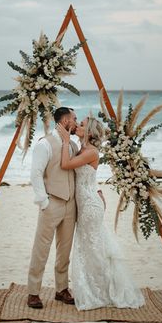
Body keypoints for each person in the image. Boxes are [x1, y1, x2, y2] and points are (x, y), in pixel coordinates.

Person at [56, 116, 145, 310]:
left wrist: (64, 142)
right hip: (88, 201)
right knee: (90, 248)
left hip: (89, 206)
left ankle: (101, 291)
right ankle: (94, 287)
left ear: (89, 132)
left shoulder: (91, 151)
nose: (78, 125)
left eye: (82, 125)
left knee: (92, 249)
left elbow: (65, 165)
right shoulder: (82, 149)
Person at [26, 106, 78, 309]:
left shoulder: (72, 145)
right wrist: (44, 202)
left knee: (64, 250)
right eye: (74, 119)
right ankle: (33, 292)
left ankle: (61, 289)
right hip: (52, 203)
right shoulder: (44, 144)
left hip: (70, 204)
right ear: (65, 121)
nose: (76, 122)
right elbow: (35, 174)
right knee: (41, 249)